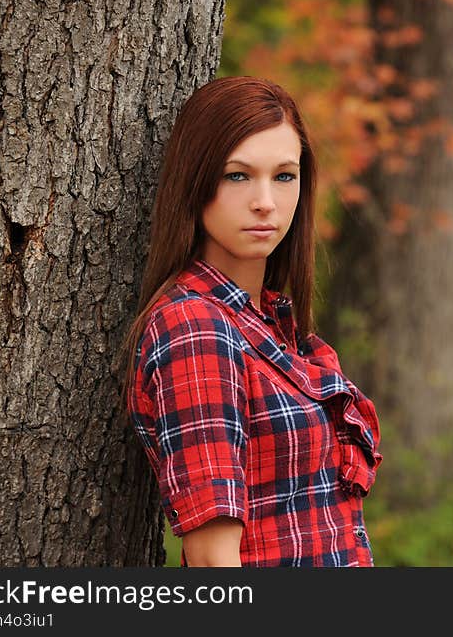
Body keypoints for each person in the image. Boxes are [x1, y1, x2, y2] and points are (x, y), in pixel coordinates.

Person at [121, 76, 383, 567]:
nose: (265, 200)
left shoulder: (271, 326)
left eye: (284, 176)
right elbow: (210, 560)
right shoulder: (195, 328)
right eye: (237, 176)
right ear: (195, 182)